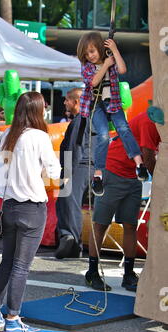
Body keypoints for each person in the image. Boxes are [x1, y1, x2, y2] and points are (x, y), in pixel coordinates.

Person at [0, 92, 61, 332]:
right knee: (21, 266)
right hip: (32, 207)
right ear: (38, 111)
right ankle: (13, 319)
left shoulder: (8, 134)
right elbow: (54, 169)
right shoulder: (40, 137)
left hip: (9, 206)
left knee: (7, 261)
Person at [85, 112, 161, 292]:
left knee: (130, 225)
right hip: (112, 170)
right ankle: (92, 272)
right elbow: (148, 155)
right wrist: (161, 181)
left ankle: (128, 274)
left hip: (133, 175)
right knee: (101, 224)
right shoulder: (150, 120)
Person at [77, 32, 148, 197]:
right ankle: (98, 176)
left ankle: (139, 164)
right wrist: (105, 66)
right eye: (87, 54)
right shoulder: (87, 66)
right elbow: (93, 82)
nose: (90, 56)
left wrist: (114, 51)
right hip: (96, 105)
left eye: (92, 51)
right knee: (102, 135)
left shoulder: (110, 58)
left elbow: (123, 69)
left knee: (124, 129)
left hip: (113, 102)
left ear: (100, 49)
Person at [55, 88, 95, 259]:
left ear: (77, 102)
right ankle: (70, 239)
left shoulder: (80, 120)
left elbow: (74, 147)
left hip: (78, 166)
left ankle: (70, 240)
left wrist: (67, 173)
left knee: (68, 202)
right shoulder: (88, 118)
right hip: (88, 165)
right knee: (69, 202)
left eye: (67, 100)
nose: (64, 103)